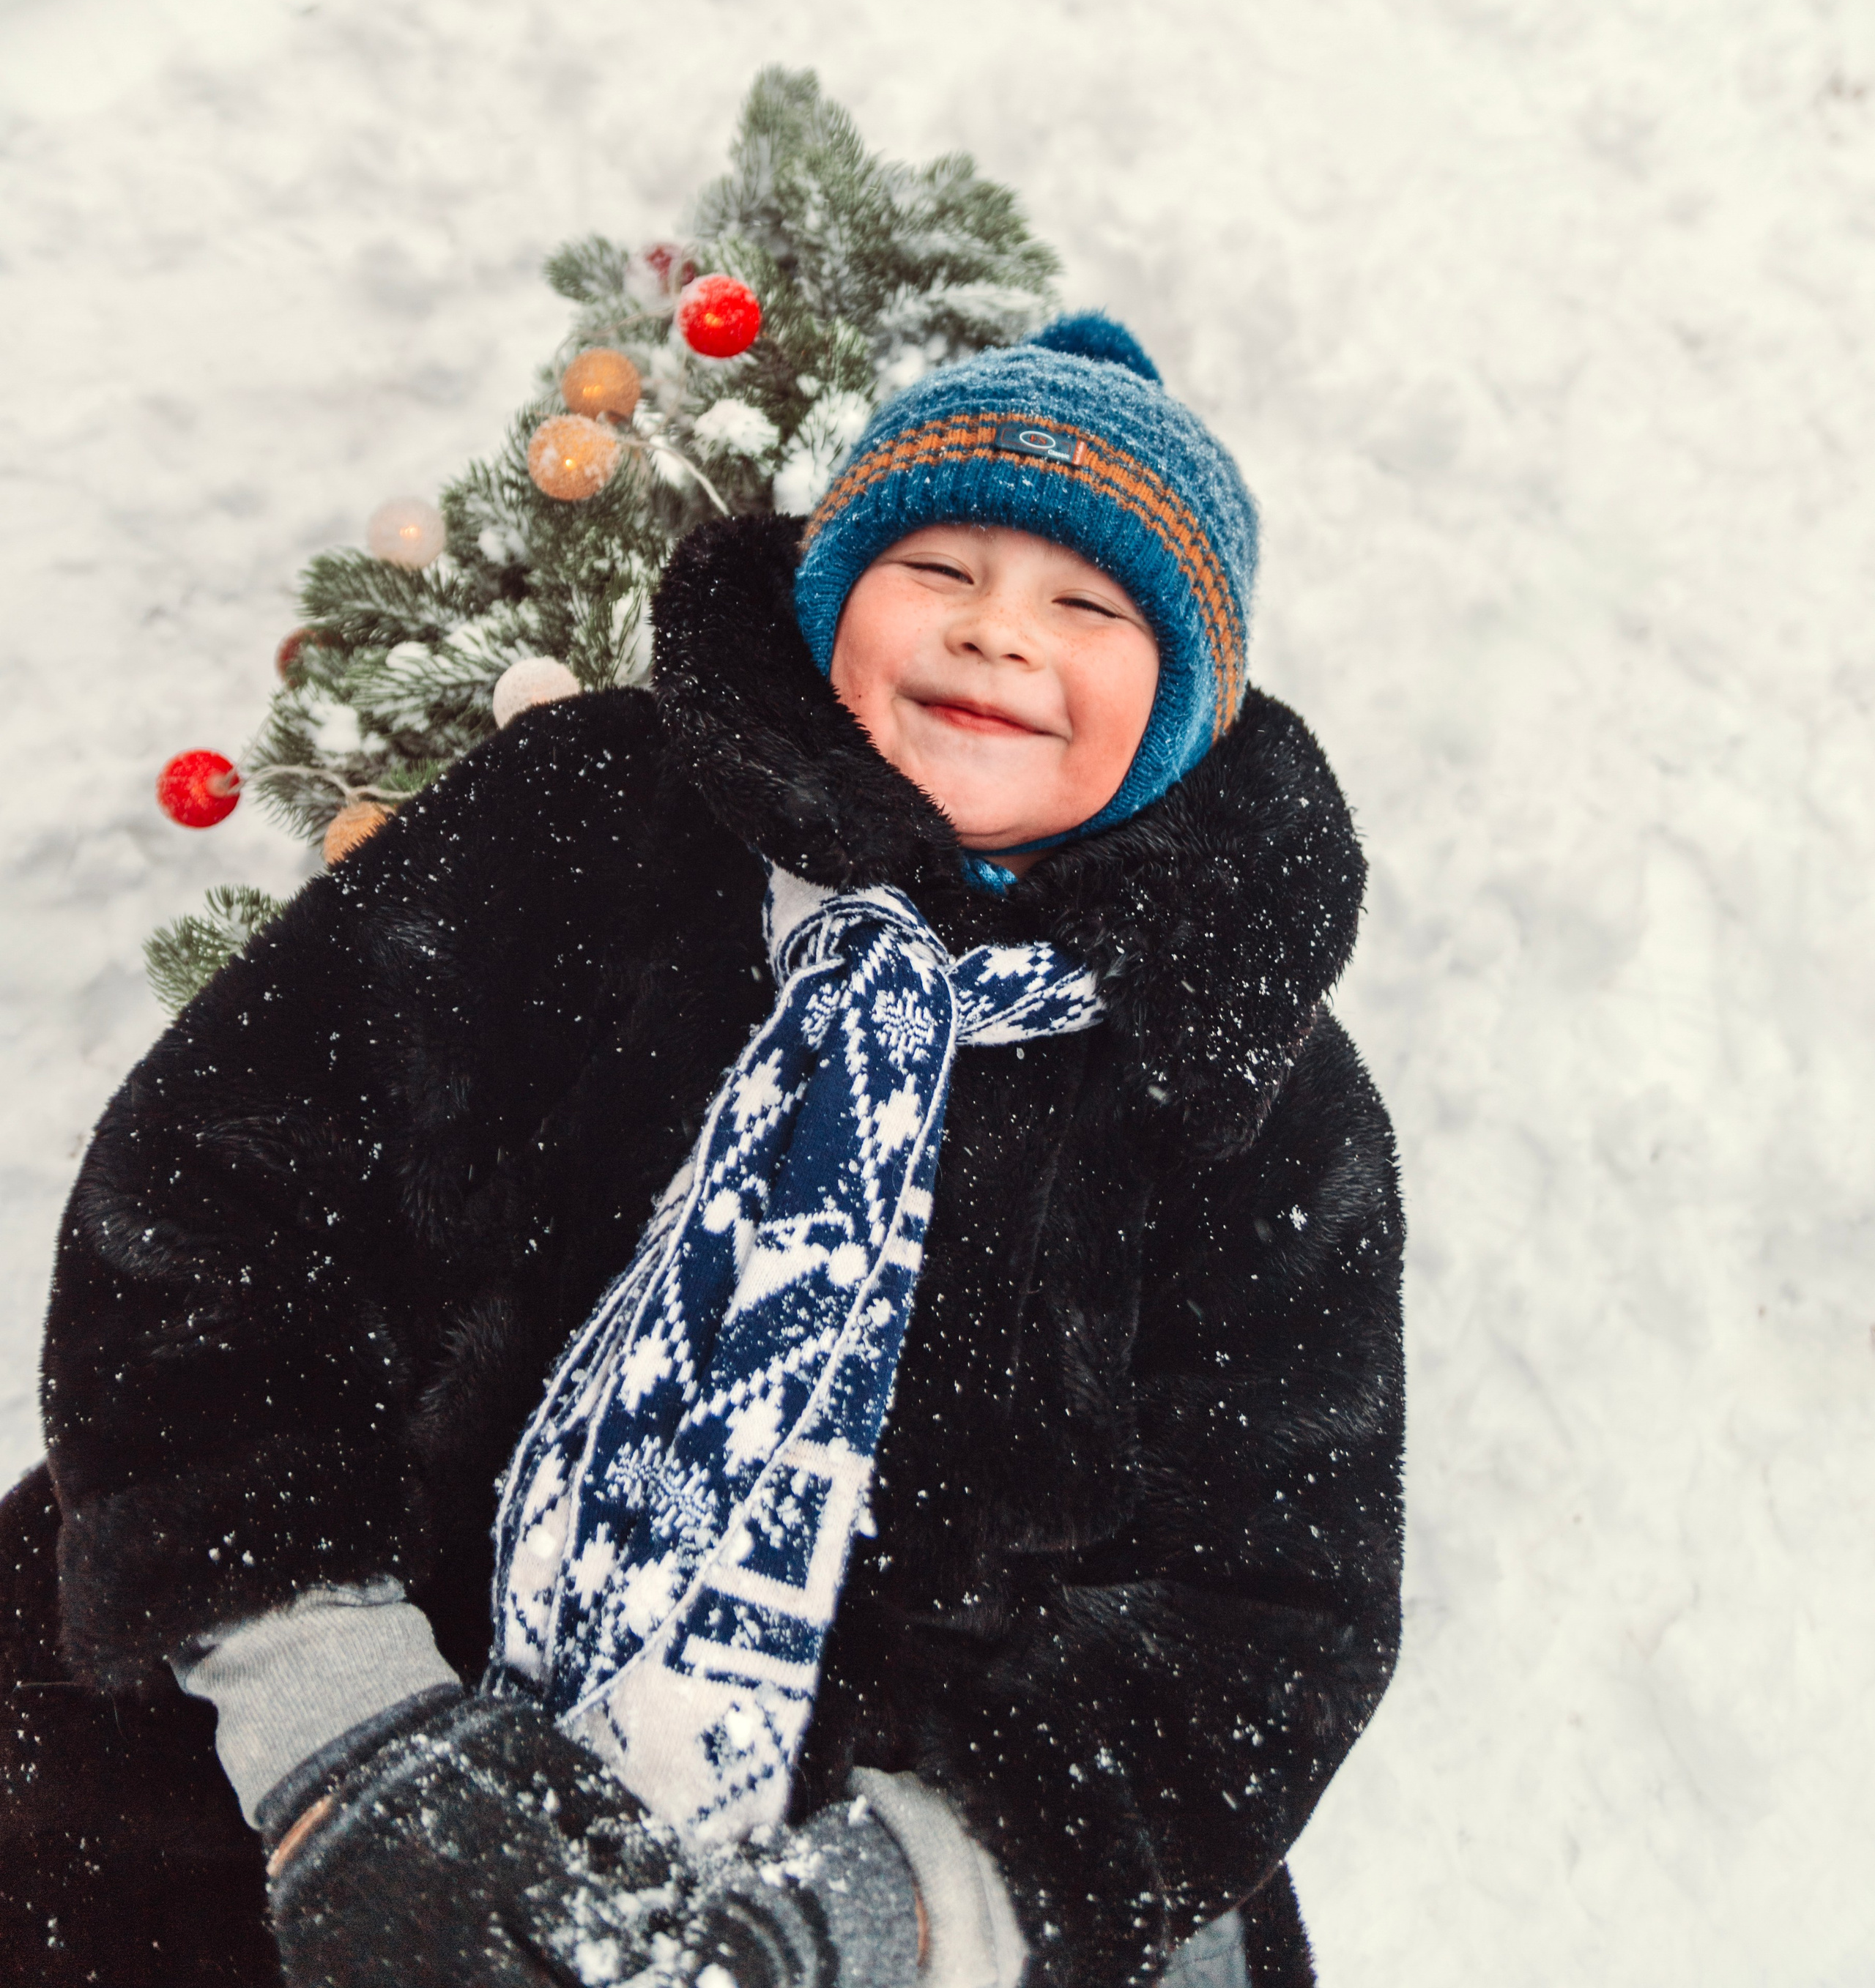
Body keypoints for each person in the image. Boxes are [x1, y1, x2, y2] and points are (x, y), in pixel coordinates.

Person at [0, 316, 1405, 1988]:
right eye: (934, 560)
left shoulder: (1247, 1082)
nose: (991, 629)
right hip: (347, 1702)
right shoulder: (580, 820)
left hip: (910, 1831)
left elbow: (1266, 1602)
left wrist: (902, 1896)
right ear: (829, 603)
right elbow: (212, 1206)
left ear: (1185, 700)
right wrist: (337, 1718)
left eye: (1087, 605)